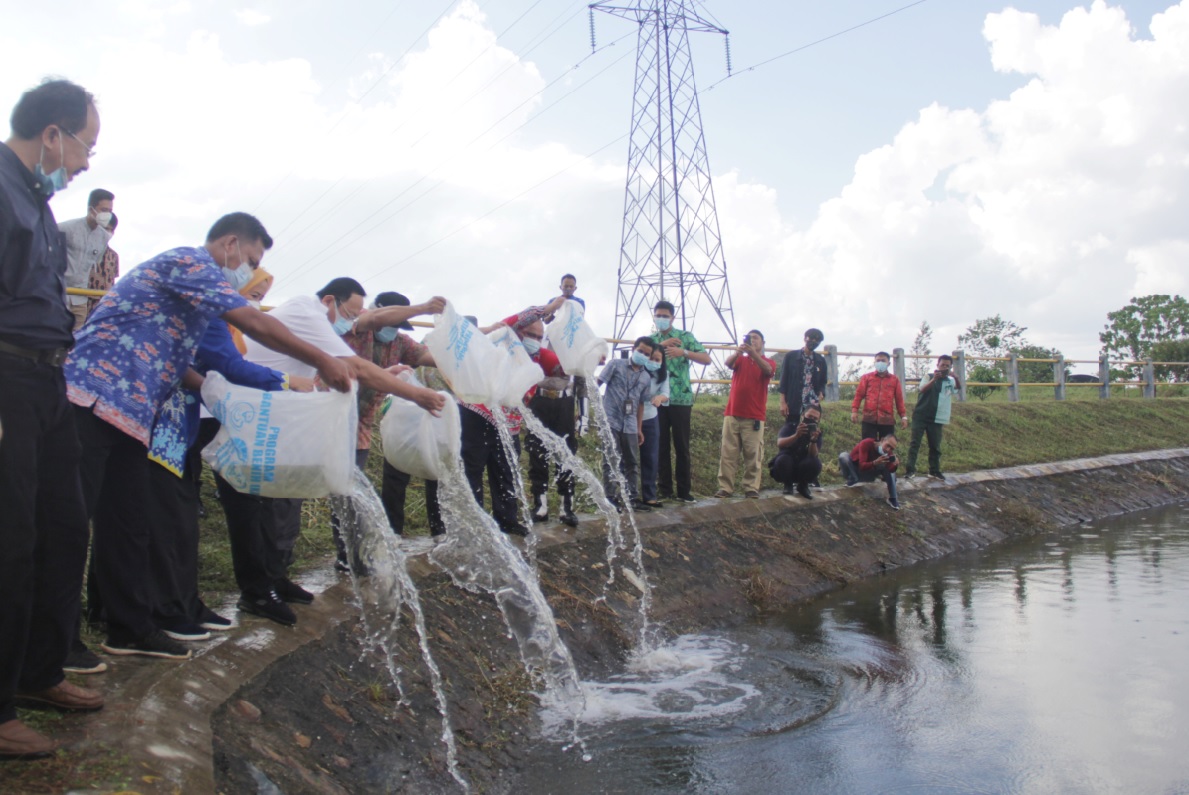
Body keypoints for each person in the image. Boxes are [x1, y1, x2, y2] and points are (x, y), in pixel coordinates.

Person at [66, 213, 355, 657]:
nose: (250, 273)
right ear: (231, 244)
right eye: (251, 261)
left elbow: (186, 365)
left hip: (134, 413)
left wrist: (218, 394)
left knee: (127, 524)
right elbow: (257, 326)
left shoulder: (194, 307)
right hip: (93, 395)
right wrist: (324, 361)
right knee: (68, 524)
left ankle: (129, 628)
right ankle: (54, 646)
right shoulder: (189, 263)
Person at [225, 277, 445, 624]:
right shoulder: (306, 311)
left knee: (285, 501)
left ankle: (277, 578)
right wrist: (417, 395)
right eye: (350, 312)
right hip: (261, 419)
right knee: (267, 506)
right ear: (330, 300)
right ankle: (258, 590)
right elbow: (354, 367)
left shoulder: (327, 324)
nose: (351, 321)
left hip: (285, 419)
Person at [0, 78, 105, 759]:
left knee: (64, 528)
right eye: (85, 146)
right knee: (7, 541)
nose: (86, 162)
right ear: (52, 136)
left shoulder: (35, 201)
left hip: (46, 377)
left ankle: (39, 671)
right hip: (5, 374)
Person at [340, 291, 444, 562]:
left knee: (352, 490)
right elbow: (373, 318)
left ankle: (349, 556)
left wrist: (466, 360)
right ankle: (351, 552)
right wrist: (423, 307)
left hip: (362, 425)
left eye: (397, 325)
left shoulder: (400, 343)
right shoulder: (356, 330)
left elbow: (429, 357)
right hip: (333, 416)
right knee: (341, 487)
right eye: (392, 321)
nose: (392, 329)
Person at [651, 301, 711, 503]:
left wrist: (683, 352)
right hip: (658, 399)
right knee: (660, 446)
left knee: (682, 446)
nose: (661, 319)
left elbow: (706, 358)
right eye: (658, 315)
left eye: (665, 315)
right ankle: (664, 489)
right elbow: (640, 358)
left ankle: (684, 491)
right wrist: (661, 346)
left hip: (681, 399)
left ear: (672, 317)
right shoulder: (651, 340)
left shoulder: (685, 337)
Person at [597, 338, 657, 511]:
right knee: (610, 459)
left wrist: (639, 428)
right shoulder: (615, 364)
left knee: (632, 461)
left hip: (630, 424)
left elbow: (640, 403)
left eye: (647, 354)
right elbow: (598, 384)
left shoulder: (646, 377)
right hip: (611, 420)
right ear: (633, 349)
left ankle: (632, 498)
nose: (643, 355)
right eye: (641, 351)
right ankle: (611, 497)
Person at [714, 329, 775, 499]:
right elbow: (728, 363)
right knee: (728, 453)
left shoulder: (767, 361)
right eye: (750, 338)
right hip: (732, 413)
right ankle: (725, 487)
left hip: (754, 416)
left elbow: (768, 370)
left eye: (756, 338)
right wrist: (738, 352)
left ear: (763, 343)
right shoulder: (740, 359)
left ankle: (751, 487)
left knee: (753, 454)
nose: (752, 341)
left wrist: (754, 354)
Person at [59, 188, 113, 331]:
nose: (107, 214)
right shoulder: (65, 229)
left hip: (80, 298)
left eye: (109, 210)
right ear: (91, 209)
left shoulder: (103, 237)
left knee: (75, 341)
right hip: (59, 293)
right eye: (103, 209)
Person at [903, 354, 960, 481]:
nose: (944, 367)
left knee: (935, 446)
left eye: (947, 366)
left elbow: (958, 389)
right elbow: (922, 389)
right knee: (915, 443)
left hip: (938, 417)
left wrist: (956, 377)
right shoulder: (928, 376)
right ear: (937, 365)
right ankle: (910, 470)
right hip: (921, 415)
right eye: (942, 365)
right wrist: (934, 379)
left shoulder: (949, 381)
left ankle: (934, 470)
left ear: (950, 367)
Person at [851, 351, 907, 440]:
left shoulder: (894, 380)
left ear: (889, 363)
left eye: (883, 360)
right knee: (868, 446)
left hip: (887, 420)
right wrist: (854, 411)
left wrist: (903, 417)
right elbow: (858, 395)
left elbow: (899, 400)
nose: (880, 362)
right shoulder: (867, 378)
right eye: (878, 360)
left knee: (886, 448)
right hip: (869, 419)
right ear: (874, 362)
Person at [770, 404, 823, 499]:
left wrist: (813, 440)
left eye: (815, 418)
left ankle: (803, 485)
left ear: (818, 421)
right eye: (809, 416)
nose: (812, 419)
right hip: (786, 464)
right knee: (783, 459)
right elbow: (780, 443)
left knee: (815, 463)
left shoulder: (817, 433)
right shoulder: (790, 426)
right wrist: (796, 435)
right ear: (803, 415)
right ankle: (788, 484)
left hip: (803, 466)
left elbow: (813, 454)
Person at [638, 344, 669, 508]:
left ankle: (649, 495)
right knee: (630, 459)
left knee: (650, 457)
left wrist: (659, 399)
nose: (653, 362)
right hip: (632, 417)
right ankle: (630, 495)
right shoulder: (638, 372)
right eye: (651, 358)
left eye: (657, 360)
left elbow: (666, 393)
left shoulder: (663, 375)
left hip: (650, 417)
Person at [839, 434, 901, 510]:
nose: (888, 449)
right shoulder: (867, 443)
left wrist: (895, 465)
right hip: (854, 470)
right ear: (882, 440)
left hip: (868, 475)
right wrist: (875, 462)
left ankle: (893, 498)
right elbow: (862, 465)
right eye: (887, 446)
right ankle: (852, 478)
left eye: (891, 448)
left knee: (890, 472)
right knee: (843, 456)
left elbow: (890, 471)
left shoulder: (888, 454)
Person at [85, 212, 118, 319]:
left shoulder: (114, 256)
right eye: (104, 228)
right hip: (83, 302)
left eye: (110, 230)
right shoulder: (83, 250)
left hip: (103, 306)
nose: (107, 233)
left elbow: (112, 281)